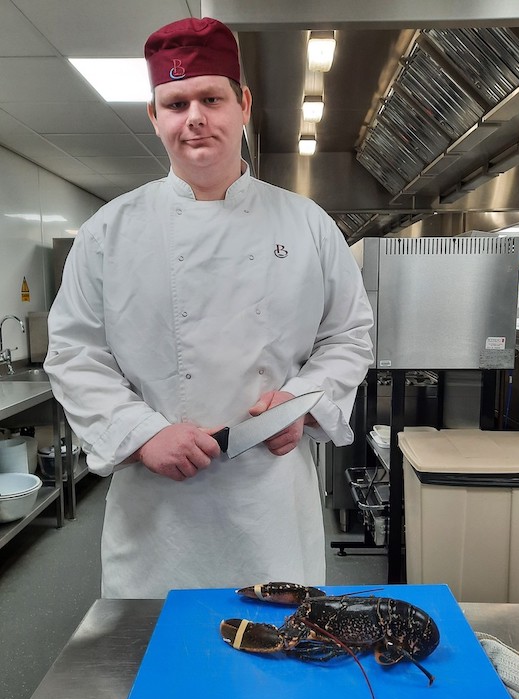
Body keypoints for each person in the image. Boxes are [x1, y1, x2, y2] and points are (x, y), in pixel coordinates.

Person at [44, 16, 374, 599]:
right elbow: (74, 354)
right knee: (164, 663)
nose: (194, 118)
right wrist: (143, 433)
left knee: (278, 665)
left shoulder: (307, 225)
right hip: (159, 512)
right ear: (154, 116)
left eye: (211, 98)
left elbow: (348, 336)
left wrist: (300, 402)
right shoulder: (109, 232)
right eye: (175, 104)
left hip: (268, 499)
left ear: (243, 104)